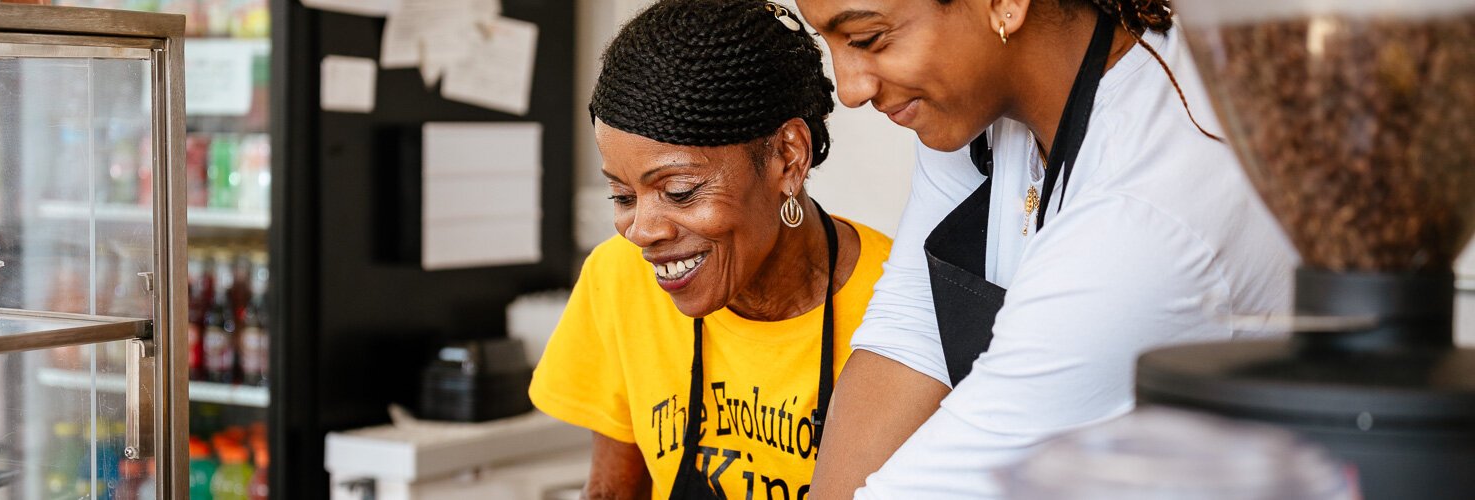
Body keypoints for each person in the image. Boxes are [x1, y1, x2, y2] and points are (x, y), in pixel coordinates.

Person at [790, 0, 1299, 498]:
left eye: (866, 38)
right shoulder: (973, 104)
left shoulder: (1145, 217)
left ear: (1005, 5)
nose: (851, 88)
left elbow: (968, 468)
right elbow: (913, 331)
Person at [527, 0, 894, 498]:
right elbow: (612, 491)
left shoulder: (901, 303)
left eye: (679, 191)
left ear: (787, 158)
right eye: (623, 196)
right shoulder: (619, 277)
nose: (642, 230)